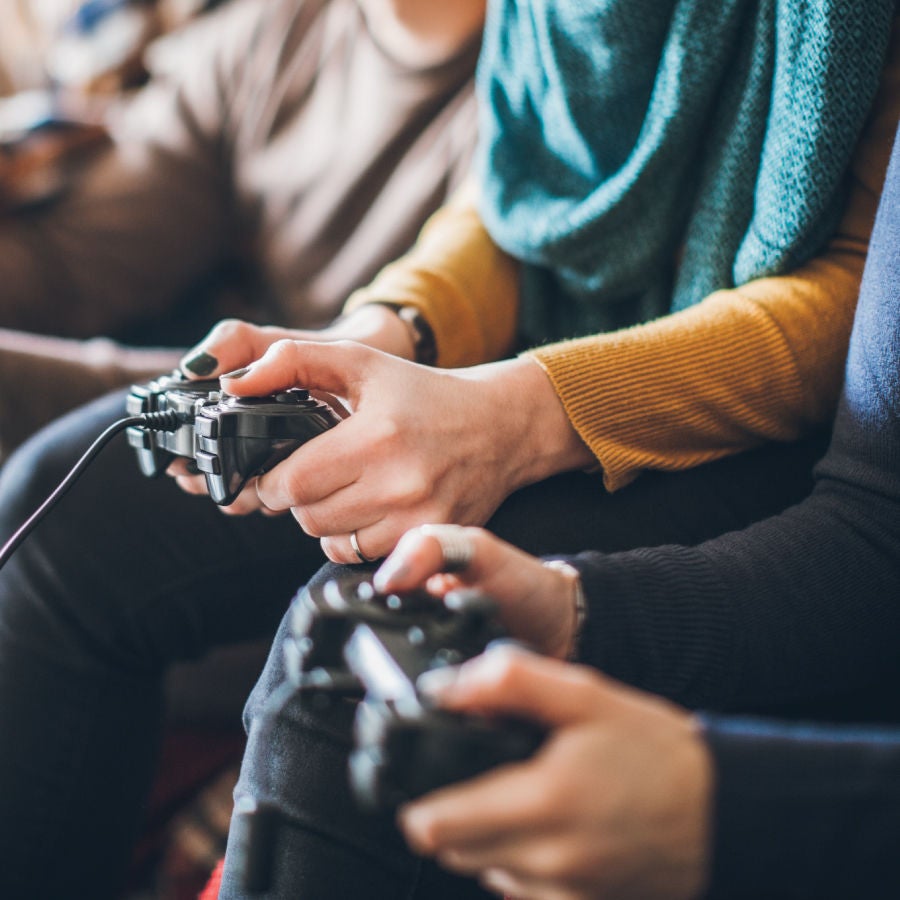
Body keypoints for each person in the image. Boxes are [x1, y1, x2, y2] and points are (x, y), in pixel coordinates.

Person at [0, 2, 897, 898]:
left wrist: (516, 414)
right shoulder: (263, 42)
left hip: (754, 426)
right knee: (68, 503)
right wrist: (393, 328)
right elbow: (511, 190)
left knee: (347, 668)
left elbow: (858, 301)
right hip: (524, 355)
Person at [225, 115, 900, 899]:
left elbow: (845, 314)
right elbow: (877, 522)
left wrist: (731, 809)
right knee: (70, 491)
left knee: (345, 679)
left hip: (720, 426)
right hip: (544, 372)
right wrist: (574, 609)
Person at [0, 0, 484, 456]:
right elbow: (71, 267)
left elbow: (337, 390)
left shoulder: (530, 93)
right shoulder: (267, 36)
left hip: (360, 459)